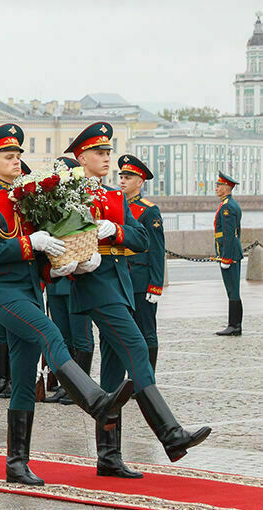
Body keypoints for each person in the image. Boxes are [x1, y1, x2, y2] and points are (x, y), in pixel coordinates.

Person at [0, 123, 135, 486]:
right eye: (8, 157)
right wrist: (31, 244)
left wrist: (64, 264)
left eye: (18, 156)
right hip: (1, 293)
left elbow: (41, 254)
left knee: (25, 377)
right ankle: (94, 399)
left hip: (28, 290)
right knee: (50, 332)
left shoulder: (24, 198)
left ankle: (16, 464)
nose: (16, 161)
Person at [65, 122, 211, 476]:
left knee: (114, 374)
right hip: (93, 283)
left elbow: (142, 238)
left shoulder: (115, 196)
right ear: (82, 157)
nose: (106, 158)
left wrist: (114, 230)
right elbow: (61, 242)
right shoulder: (67, 195)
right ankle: (170, 433)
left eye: (107, 152)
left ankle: (109, 457)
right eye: (99, 153)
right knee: (137, 347)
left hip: (120, 285)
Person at [44, 157, 95, 405]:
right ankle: (67, 386)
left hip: (77, 281)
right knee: (62, 337)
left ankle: (82, 388)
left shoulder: (83, 203)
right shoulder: (47, 207)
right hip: (57, 282)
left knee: (81, 336)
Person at [119, 154, 164, 371]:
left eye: (128, 177)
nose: (122, 180)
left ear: (140, 181)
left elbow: (156, 250)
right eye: (121, 176)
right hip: (123, 277)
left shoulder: (148, 210)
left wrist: (156, 285)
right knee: (129, 331)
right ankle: (133, 375)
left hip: (141, 278)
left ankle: (148, 380)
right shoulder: (119, 206)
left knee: (146, 330)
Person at [214, 172, 243, 336]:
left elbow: (230, 234)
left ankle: (234, 325)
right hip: (231, 252)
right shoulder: (230, 204)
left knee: (233, 290)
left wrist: (226, 256)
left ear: (227, 188)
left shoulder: (227, 207)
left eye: (219, 186)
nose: (216, 189)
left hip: (229, 254)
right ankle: (235, 324)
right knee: (233, 289)